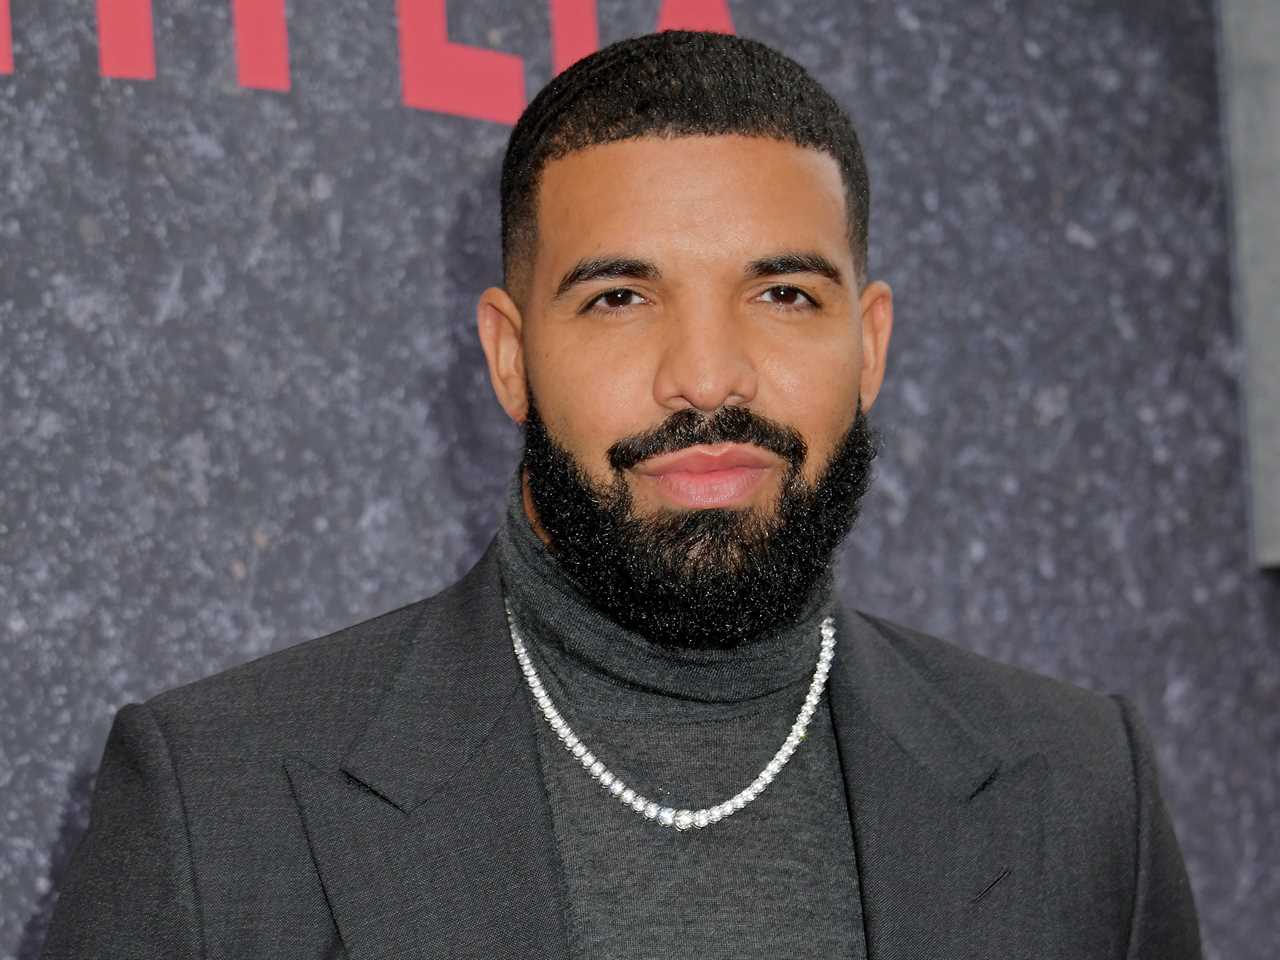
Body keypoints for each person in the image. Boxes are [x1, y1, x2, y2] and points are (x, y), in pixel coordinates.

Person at [41, 29, 1201, 960]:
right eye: (618, 298)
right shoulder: (219, 797)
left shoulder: (1080, 788)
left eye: (784, 294)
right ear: (508, 356)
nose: (706, 373)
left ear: (870, 341)